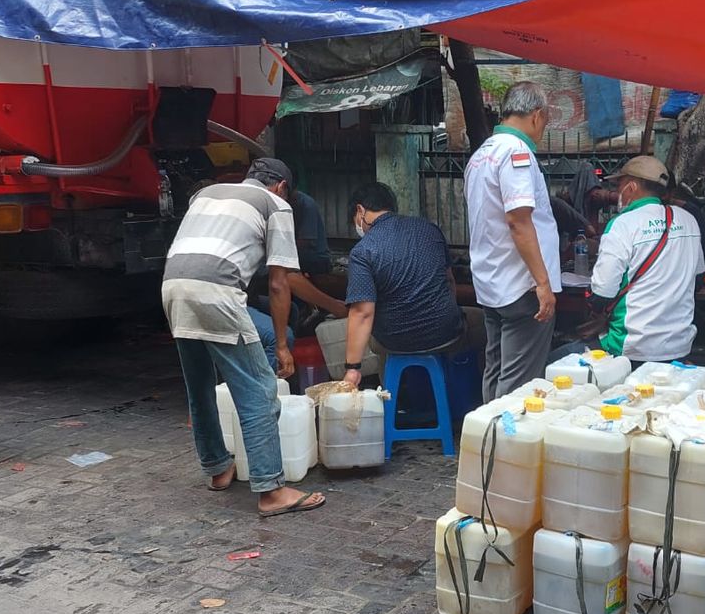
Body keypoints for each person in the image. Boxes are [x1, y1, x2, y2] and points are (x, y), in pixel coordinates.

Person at [162, 160, 325, 517]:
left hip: (172, 285)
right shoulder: (275, 204)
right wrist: (282, 344)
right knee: (259, 391)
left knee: (200, 387)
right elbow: (280, 282)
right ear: (281, 186)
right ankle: (271, 489)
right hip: (216, 290)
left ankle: (218, 468)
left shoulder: (206, 194)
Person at [553, 155, 704, 364]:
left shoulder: (622, 224)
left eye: (619, 185)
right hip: (679, 345)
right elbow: (698, 279)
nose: (616, 192)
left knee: (553, 361)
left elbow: (602, 292)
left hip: (630, 346)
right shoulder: (688, 221)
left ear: (631, 187)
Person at [464, 81, 561, 401]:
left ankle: (485, 445)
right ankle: (505, 446)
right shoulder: (516, 153)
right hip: (522, 287)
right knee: (518, 384)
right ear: (536, 116)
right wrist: (543, 283)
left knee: (496, 369)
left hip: (492, 285)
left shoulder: (481, 155)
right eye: (544, 123)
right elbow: (519, 221)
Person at [340, 181, 484, 386]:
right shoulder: (429, 230)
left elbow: (362, 312)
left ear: (360, 210)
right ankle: (474, 395)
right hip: (446, 332)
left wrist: (352, 369)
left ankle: (395, 401)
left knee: (375, 340)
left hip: (395, 340)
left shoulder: (363, 251)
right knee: (483, 321)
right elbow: (449, 282)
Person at [241, 158, 349, 370]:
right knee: (278, 338)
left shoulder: (219, 195)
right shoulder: (275, 206)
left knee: (289, 310)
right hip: (224, 299)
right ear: (282, 187)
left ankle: (260, 366)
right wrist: (335, 306)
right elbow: (284, 280)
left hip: (176, 288)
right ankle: (267, 396)